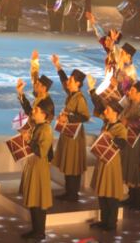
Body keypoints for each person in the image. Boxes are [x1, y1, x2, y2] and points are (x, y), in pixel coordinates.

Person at [87, 74, 128, 231]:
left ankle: (111, 223)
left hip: (112, 165)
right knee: (102, 194)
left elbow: (123, 143)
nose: (105, 111)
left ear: (115, 113)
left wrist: (111, 138)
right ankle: (104, 221)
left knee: (110, 195)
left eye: (108, 110)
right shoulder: (107, 124)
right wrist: (92, 89)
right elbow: (98, 105)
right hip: (103, 163)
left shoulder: (119, 128)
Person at [51, 54, 90, 202]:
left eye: (71, 80)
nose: (68, 81)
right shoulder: (72, 94)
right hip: (68, 134)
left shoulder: (79, 98)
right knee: (69, 163)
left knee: (73, 164)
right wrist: (58, 67)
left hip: (75, 136)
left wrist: (68, 117)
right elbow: (63, 81)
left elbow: (85, 116)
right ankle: (69, 192)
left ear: (78, 83)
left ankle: (73, 193)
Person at [20, 99, 54, 241]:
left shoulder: (45, 129)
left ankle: (40, 232)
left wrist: (28, 140)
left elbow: (42, 151)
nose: (32, 111)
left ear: (44, 114)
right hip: (34, 166)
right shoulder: (38, 126)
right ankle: (36, 229)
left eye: (35, 110)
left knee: (39, 200)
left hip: (39, 168)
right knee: (34, 199)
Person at [119, 81, 140, 210]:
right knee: (130, 169)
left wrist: (128, 122)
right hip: (129, 143)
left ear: (139, 94)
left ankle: (137, 202)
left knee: (136, 170)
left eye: (132, 91)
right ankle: (132, 197)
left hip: (138, 145)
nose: (129, 92)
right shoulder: (130, 106)